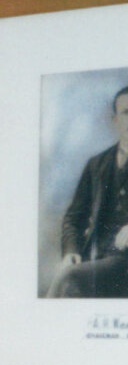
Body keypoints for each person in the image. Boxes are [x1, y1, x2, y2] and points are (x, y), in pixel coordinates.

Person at [48, 87, 128, 297]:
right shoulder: (97, 164)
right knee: (68, 276)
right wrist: (71, 251)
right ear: (115, 120)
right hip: (97, 257)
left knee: (69, 278)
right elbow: (74, 217)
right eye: (126, 113)